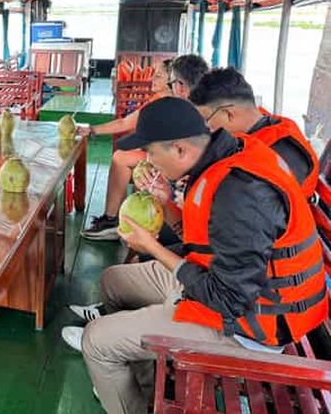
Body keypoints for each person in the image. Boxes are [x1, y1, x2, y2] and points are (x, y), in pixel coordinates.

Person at [62, 98, 327, 414]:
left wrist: (153, 249)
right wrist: (167, 203)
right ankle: (146, 391)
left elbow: (227, 299)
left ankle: (127, 384)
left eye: (151, 153)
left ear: (179, 149)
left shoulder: (239, 193)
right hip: (221, 287)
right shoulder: (220, 159)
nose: (148, 161)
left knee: (96, 341)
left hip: (247, 328)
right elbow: (204, 244)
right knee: (112, 282)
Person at [189, 67, 319, 199]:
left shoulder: (283, 153)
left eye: (206, 120)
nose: (206, 128)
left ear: (229, 114)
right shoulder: (253, 132)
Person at [79, 59, 172, 240]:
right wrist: (93, 130)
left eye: (159, 76)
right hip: (160, 152)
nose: (152, 78)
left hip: (167, 157)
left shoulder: (163, 102)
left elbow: (125, 123)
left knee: (120, 158)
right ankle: (114, 218)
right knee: (122, 155)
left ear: (172, 82)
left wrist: (92, 130)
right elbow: (127, 123)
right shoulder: (159, 99)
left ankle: (111, 219)